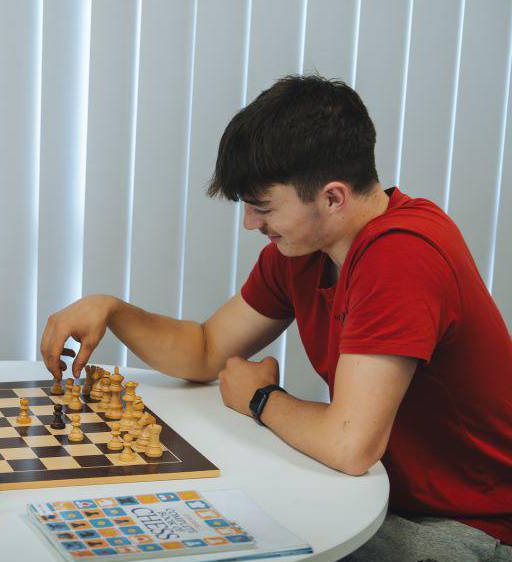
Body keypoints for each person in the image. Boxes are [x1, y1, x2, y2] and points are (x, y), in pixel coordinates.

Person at [41, 75, 511, 561]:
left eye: (263, 207)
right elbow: (206, 349)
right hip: (380, 493)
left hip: (469, 523)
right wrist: (112, 310)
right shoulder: (303, 250)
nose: (251, 224)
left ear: (332, 197)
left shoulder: (401, 256)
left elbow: (350, 445)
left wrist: (259, 397)